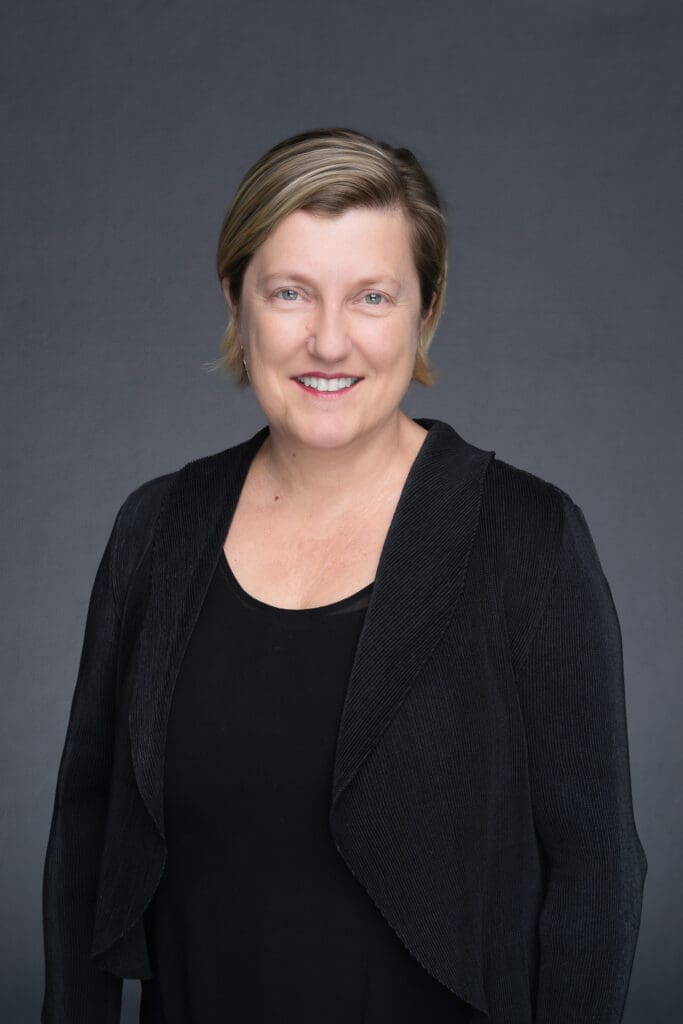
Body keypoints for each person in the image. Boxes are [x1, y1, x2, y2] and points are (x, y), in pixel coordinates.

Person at [41, 127, 648, 1024]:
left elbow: (594, 866)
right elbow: (87, 833)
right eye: (290, 293)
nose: (328, 341)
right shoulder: (157, 530)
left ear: (426, 310)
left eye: (371, 296)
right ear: (236, 301)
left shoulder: (527, 536)